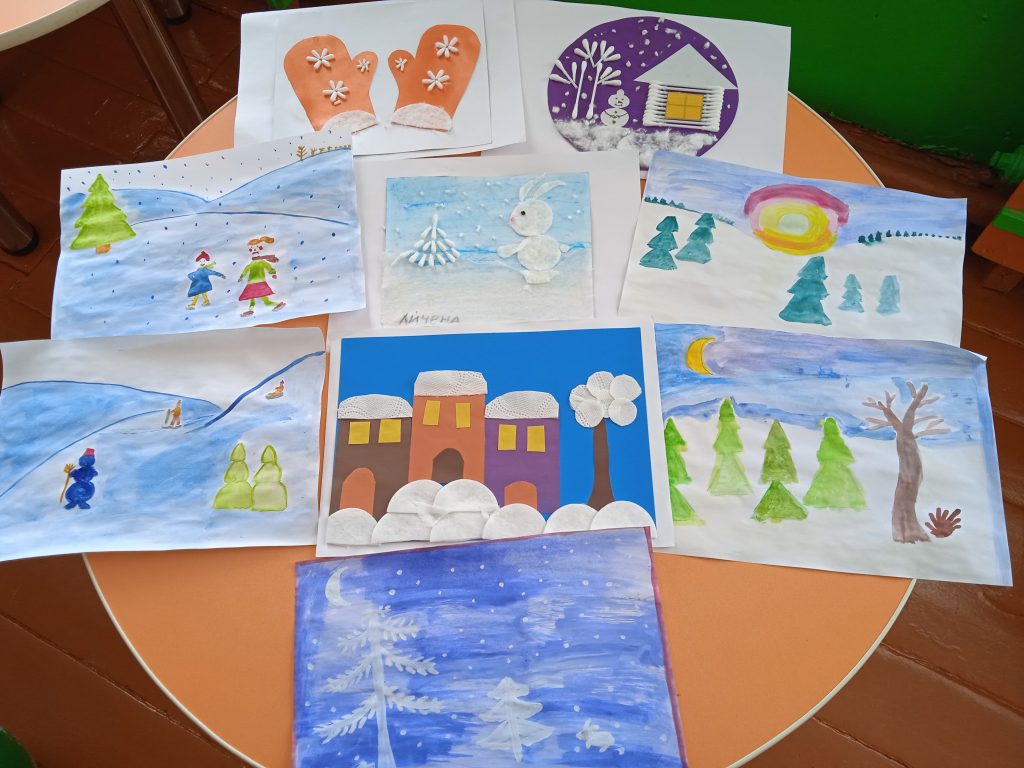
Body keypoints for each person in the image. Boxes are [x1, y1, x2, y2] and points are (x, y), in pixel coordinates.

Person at [237, 236, 287, 317]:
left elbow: (268, 267)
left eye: (255, 249)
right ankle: (251, 310)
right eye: (251, 249)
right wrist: (241, 277)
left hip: (257, 282)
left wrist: (273, 273)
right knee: (254, 298)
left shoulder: (261, 262)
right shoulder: (252, 263)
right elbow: (246, 270)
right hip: (253, 283)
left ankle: (277, 304)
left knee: (260, 299)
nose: (253, 251)